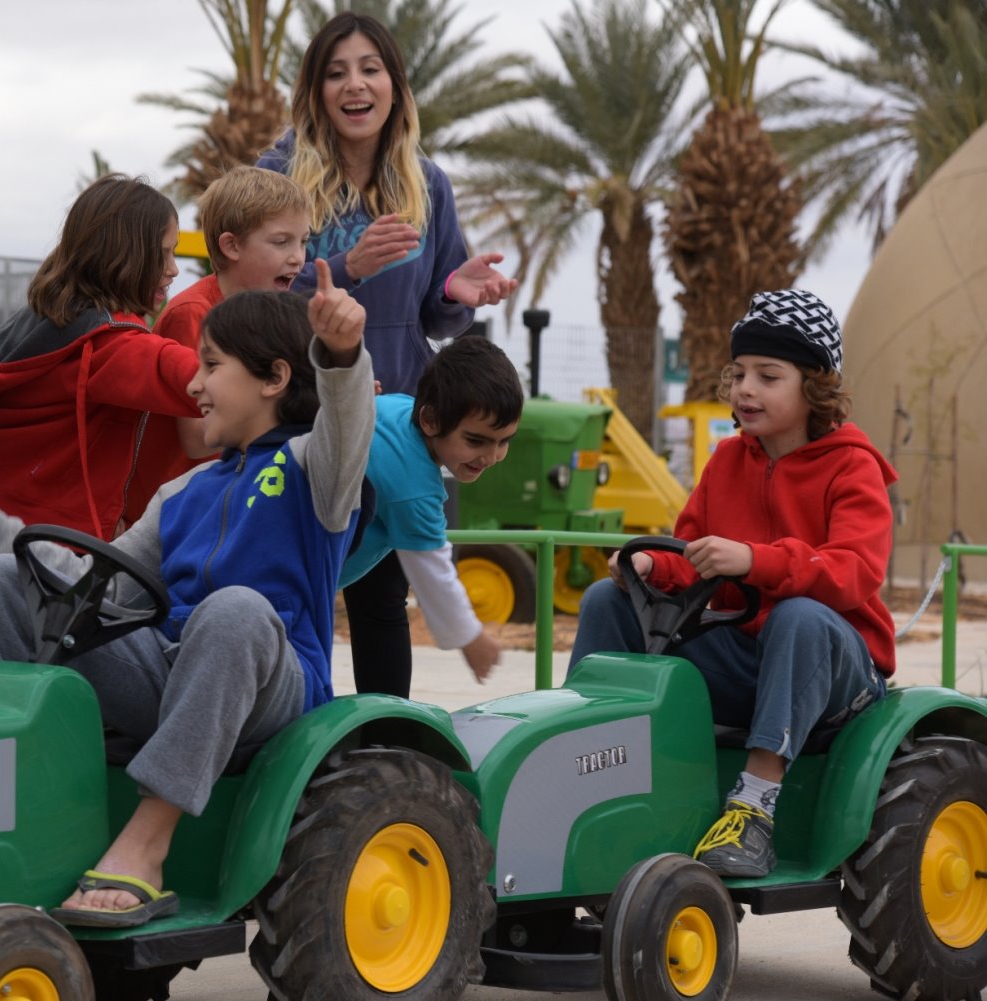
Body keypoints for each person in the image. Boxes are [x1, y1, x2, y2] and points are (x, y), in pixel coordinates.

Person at [0, 261, 371, 926]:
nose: (194, 383)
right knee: (3, 580)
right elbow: (86, 584)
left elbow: (347, 424)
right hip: (169, 673)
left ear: (275, 377)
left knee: (234, 610)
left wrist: (341, 354)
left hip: (269, 689)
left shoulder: (313, 471)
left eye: (211, 366)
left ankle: (147, 844)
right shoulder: (182, 493)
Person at [568, 289, 894, 878]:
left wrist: (755, 560)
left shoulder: (853, 467)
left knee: (797, 614)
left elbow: (853, 573)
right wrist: (650, 567)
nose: (746, 388)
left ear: (815, 387)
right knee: (607, 600)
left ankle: (754, 809)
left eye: (769, 376)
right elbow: (692, 557)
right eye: (739, 372)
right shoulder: (726, 461)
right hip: (743, 654)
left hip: (835, 673)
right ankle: (584, 771)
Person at [257, 12, 517, 697]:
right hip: (301, 417)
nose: (355, 85)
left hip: (392, 426)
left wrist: (458, 291)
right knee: (291, 591)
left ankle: (382, 746)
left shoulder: (426, 183)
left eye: (370, 69)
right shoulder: (279, 173)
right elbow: (259, 301)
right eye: (336, 72)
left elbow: (432, 309)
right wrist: (348, 265)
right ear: (315, 90)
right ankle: (273, 739)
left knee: (380, 602)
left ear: (395, 87)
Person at [0, 174, 203, 708]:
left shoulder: (43, 318)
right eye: (165, 254)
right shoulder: (113, 345)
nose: (173, 269)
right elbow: (196, 383)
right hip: (16, 526)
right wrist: (291, 377)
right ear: (129, 255)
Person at [122, 165, 310, 522]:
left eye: (303, 241)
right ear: (231, 245)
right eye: (281, 241)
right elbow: (196, 436)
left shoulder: (267, 319)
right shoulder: (193, 314)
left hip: (214, 504)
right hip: (170, 513)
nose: (298, 257)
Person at [338, 336, 523, 694]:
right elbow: (432, 570)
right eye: (476, 440)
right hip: (288, 582)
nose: (491, 457)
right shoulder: (414, 488)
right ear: (430, 420)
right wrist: (471, 638)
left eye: (504, 441)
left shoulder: (395, 408)